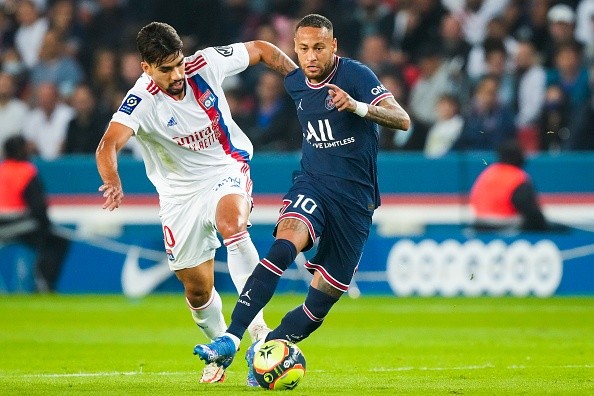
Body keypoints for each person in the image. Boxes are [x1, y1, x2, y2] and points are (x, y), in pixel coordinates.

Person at [194, 14, 410, 386]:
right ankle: (231, 335)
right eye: (304, 48)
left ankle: (266, 350)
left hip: (356, 203)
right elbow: (267, 55)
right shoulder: (296, 82)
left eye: (319, 48)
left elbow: (402, 119)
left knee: (317, 307)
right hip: (313, 185)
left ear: (334, 46)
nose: (311, 56)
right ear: (296, 48)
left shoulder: (356, 75)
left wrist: (357, 106)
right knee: (284, 246)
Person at [94, 21, 298, 384]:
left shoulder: (204, 64)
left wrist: (299, 82)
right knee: (198, 289)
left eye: (178, 62)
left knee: (233, 225)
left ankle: (258, 334)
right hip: (178, 195)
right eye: (166, 69)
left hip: (226, 167)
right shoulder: (140, 101)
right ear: (146, 68)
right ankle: (222, 348)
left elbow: (262, 49)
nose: (177, 74)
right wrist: (112, 180)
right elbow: (108, 144)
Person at [0, 135, 70, 292]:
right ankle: (44, 282)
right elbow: (38, 208)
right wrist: (47, 226)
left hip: (6, 224)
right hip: (17, 225)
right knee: (57, 241)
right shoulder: (26, 171)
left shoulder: (2, 169)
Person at [469, 139, 548, 231]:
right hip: (504, 225)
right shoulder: (517, 177)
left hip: (480, 223)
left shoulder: (487, 173)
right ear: (519, 156)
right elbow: (531, 213)